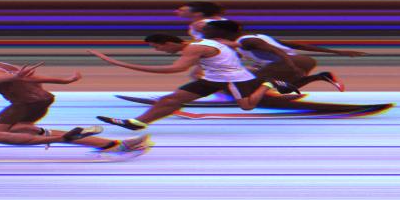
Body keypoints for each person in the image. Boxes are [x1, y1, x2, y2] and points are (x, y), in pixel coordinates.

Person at [90, 34, 299, 131]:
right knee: (171, 99)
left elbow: (175, 69)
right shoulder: (202, 41)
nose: (159, 51)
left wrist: (120, 64)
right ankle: (137, 123)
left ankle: (267, 84)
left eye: (158, 47)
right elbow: (232, 45)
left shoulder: (193, 48)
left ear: (169, 43)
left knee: (247, 106)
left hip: (234, 79)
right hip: (213, 78)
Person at [0, 60, 149, 154]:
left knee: (4, 133)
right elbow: (30, 78)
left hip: (25, 104)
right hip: (37, 100)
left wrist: (14, 79)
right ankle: (112, 144)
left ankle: (110, 144)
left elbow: (11, 78)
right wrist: (63, 81)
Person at [201, 20, 365, 92]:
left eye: (208, 30)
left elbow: (277, 51)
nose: (205, 32)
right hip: (304, 60)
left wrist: (291, 67)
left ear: (222, 31)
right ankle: (322, 76)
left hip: (289, 62)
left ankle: (246, 99)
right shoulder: (257, 36)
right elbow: (296, 45)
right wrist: (337, 52)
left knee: (247, 84)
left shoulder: (247, 41)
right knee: (285, 88)